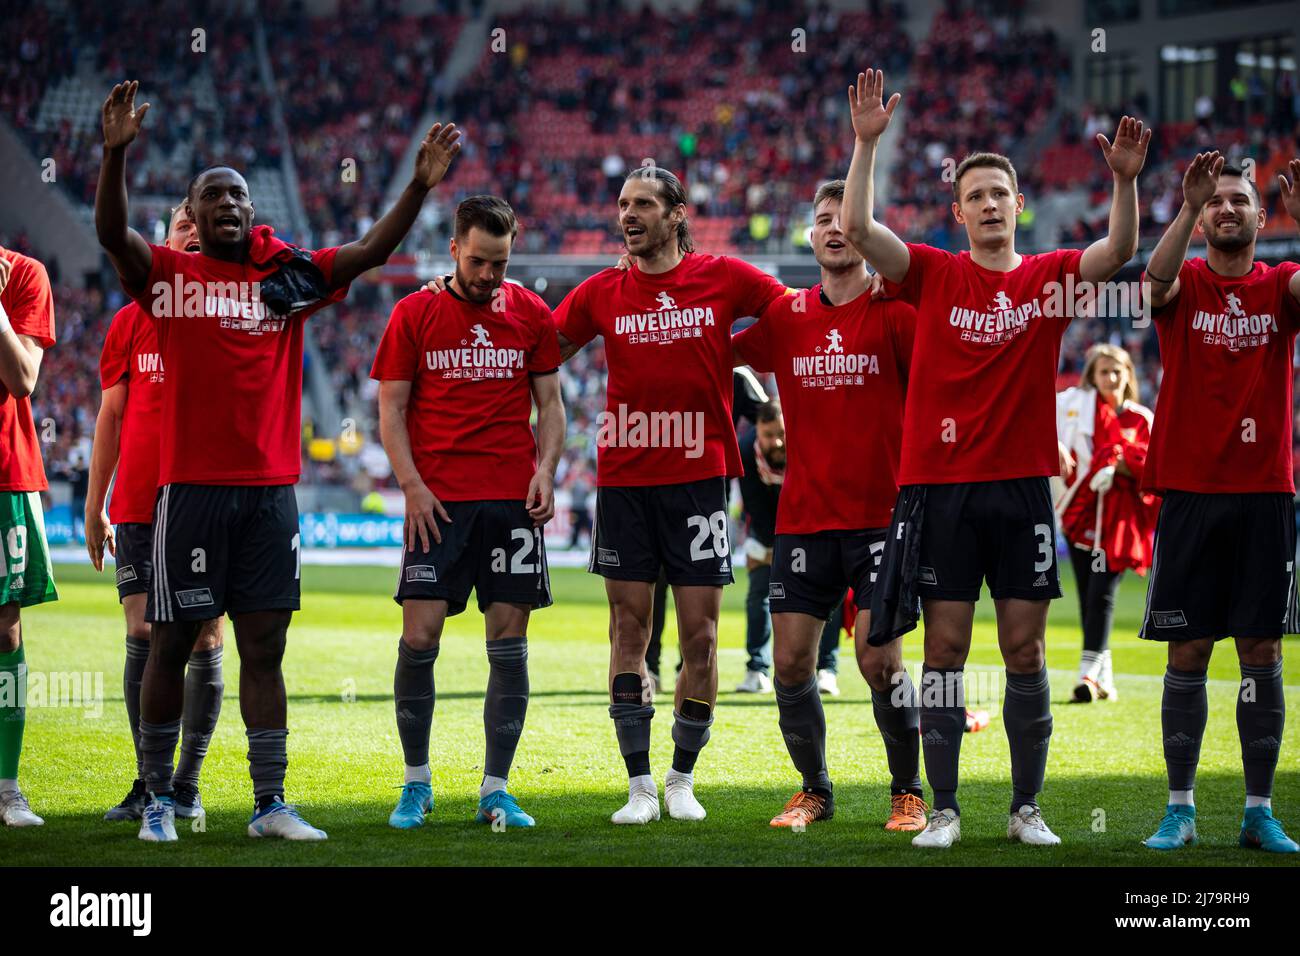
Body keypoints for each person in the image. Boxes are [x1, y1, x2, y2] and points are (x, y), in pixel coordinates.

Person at [94, 79, 461, 842]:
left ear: (254, 213)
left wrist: (418, 190)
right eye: (214, 197)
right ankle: (158, 799)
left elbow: (367, 254)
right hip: (189, 491)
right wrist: (115, 156)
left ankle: (269, 803)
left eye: (240, 197)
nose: (230, 206)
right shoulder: (168, 277)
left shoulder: (283, 280)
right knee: (170, 640)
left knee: (265, 647)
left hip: (270, 495)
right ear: (192, 217)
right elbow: (111, 235)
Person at [844, 69, 1149, 848]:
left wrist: (1123, 182)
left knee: (1026, 648)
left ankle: (1025, 809)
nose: (987, 204)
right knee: (944, 648)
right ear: (958, 211)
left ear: (1020, 206)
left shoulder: (1048, 279)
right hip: (940, 491)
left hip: (1020, 493)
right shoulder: (934, 272)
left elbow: (1118, 251)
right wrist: (866, 142)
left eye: (998, 194)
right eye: (973, 195)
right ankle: (943, 808)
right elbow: (859, 227)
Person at [555, 165, 788, 824]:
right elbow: (541, 347)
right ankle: (638, 786)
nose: (628, 215)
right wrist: (462, 297)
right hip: (625, 481)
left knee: (703, 639)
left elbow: (794, 313)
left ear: (677, 213)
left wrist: (733, 350)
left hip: (699, 482)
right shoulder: (601, 291)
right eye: (623, 204)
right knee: (627, 631)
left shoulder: (724, 278)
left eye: (645, 205)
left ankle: (682, 778)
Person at [733, 178, 927, 832]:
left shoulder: (897, 313)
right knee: (789, 663)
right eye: (823, 219)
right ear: (811, 236)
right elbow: (712, 350)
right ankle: (814, 790)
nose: (835, 228)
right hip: (803, 521)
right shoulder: (785, 318)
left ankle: (908, 792)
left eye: (848, 218)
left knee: (879, 661)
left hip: (884, 519)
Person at [374, 195, 563, 831]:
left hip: (512, 504)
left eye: (501, 263)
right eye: (479, 261)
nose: (490, 275)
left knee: (508, 645)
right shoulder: (414, 313)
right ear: (455, 248)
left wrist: (545, 470)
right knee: (419, 638)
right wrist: (411, 485)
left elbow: (552, 406)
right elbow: (391, 410)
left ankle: (496, 788)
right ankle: (416, 783)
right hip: (438, 507)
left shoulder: (531, 312)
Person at [1139, 154, 1300, 854]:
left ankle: (1258, 812)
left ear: (1265, 218)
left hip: (1265, 493)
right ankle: (1180, 809)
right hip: (1190, 492)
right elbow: (1152, 288)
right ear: (1203, 217)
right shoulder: (1187, 285)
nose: (1227, 209)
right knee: (1189, 650)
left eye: (1240, 200)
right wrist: (1185, 204)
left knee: (1261, 649)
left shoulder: (1283, 289)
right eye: (1217, 203)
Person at [86, 201, 226, 822]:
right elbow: (111, 417)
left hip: (208, 501)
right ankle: (150, 781)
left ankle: (186, 784)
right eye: (182, 224)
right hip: (140, 504)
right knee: (142, 633)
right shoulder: (130, 321)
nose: (193, 232)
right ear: (165, 240)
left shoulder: (234, 313)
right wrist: (96, 505)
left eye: (204, 222)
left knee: (204, 636)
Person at [1055, 343, 1156, 703]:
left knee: (1102, 596)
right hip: (1081, 516)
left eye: (1117, 371)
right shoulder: (1076, 410)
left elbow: (1153, 466)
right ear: (1092, 376)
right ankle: (1105, 679)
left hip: (1120, 523)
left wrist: (1120, 467)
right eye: (1103, 371)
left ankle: (1087, 673)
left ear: (1128, 375)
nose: (1111, 378)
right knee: (1088, 598)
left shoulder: (1141, 417)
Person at [0, 243, 56, 828]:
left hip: (5, 472)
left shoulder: (22, 274)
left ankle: (6, 787)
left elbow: (22, 378)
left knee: (4, 625)